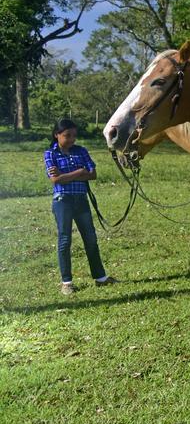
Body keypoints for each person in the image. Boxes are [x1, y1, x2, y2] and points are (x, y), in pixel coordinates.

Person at [44, 119, 117, 295]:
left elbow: (93, 174)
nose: (71, 139)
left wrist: (66, 175)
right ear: (57, 135)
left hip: (81, 200)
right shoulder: (50, 153)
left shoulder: (81, 151)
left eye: (74, 136)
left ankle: (100, 277)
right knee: (65, 240)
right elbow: (55, 180)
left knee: (90, 238)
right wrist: (80, 172)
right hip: (62, 201)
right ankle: (66, 282)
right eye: (67, 135)